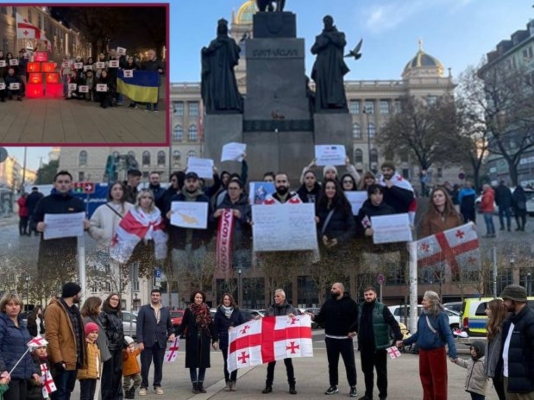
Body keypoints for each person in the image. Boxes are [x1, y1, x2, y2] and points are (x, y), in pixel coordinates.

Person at [397, 291, 457, 400]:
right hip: (423, 352)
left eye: (425, 299)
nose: (422, 301)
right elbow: (418, 334)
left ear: (432, 301)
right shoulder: (424, 315)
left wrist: (452, 350)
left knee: (439, 380)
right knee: (425, 379)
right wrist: (404, 342)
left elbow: (448, 334)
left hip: (437, 352)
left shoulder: (441, 315)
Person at [32, 171, 90, 280]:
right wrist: (37, 226)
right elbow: (33, 222)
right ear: (54, 184)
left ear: (71, 184)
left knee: (66, 284)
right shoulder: (44, 202)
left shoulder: (77, 203)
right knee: (46, 283)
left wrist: (86, 226)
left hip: (69, 252)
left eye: (66, 182)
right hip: (47, 252)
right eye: (60, 182)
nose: (63, 184)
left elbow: (83, 224)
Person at [310, 283, 358, 398]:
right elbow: (321, 318)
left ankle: (353, 386)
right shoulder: (328, 303)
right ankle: (333, 385)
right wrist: (314, 317)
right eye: (331, 288)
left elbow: (357, 319)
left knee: (349, 364)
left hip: (345, 339)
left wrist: (355, 331)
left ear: (341, 289)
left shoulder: (351, 304)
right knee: (332, 365)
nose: (331, 290)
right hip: (331, 339)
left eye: (334, 288)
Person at [357, 286, 402, 400]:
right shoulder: (360, 308)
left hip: (379, 347)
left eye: (370, 294)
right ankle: (368, 395)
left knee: (381, 374)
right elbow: (355, 323)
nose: (368, 296)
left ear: (375, 295)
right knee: (367, 373)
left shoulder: (382, 308)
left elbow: (393, 323)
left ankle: (382, 396)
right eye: (366, 294)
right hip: (365, 347)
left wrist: (398, 338)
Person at [110, 189, 168, 278]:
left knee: (156, 266)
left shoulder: (157, 214)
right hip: (136, 246)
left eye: (149, 198)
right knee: (136, 272)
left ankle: (157, 284)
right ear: (139, 199)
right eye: (144, 197)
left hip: (153, 245)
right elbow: (124, 230)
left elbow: (161, 230)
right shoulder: (133, 213)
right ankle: (135, 287)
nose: (147, 200)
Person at [44, 282, 87, 400]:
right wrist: (58, 360)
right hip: (62, 361)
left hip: (74, 360)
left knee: (67, 391)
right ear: (74, 294)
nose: (81, 295)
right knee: (59, 393)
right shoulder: (54, 309)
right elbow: (51, 336)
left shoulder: (75, 311)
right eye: (79, 293)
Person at [167, 172, 213, 275]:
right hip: (179, 245)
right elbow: (168, 224)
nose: (191, 184)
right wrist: (168, 218)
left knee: (197, 276)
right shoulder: (175, 199)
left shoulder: (204, 200)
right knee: (180, 276)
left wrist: (205, 240)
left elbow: (211, 222)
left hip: (197, 245)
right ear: (184, 182)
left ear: (198, 182)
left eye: (194, 181)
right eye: (188, 181)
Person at [176, 291, 219, 394]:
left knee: (203, 363)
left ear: (203, 299)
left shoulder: (207, 310)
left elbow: (211, 326)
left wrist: (215, 339)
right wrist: (175, 333)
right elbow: (183, 325)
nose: (198, 299)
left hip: (204, 339)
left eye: (200, 297)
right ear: (193, 298)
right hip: (192, 339)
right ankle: (194, 385)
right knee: (193, 363)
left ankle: (200, 384)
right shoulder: (189, 310)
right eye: (197, 297)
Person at [0, 293, 40, 400]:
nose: (14, 307)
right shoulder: (2, 323)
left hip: (23, 375)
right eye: (10, 304)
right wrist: (2, 371)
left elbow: (26, 351)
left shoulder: (22, 324)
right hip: (9, 376)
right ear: (4, 307)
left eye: (17, 304)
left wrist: (33, 371)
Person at [136, 289, 175, 396]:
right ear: (150, 296)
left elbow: (169, 326)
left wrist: (171, 334)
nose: (155, 297)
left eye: (157, 295)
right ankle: (144, 386)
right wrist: (140, 341)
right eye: (153, 295)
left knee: (159, 366)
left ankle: (157, 385)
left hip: (160, 342)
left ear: (160, 297)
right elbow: (139, 327)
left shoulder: (165, 310)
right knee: (145, 366)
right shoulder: (144, 309)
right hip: (146, 343)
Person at [88, 182, 134, 272]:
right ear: (110, 192)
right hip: (104, 249)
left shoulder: (131, 208)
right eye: (115, 189)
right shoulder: (102, 209)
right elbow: (92, 225)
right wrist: (102, 233)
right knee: (103, 277)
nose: (118, 191)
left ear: (124, 191)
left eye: (120, 189)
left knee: (124, 277)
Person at [201, 18, 243, 113]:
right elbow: (208, 53)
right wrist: (204, 52)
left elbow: (236, 52)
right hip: (216, 71)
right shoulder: (214, 42)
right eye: (221, 27)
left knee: (229, 88)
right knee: (217, 89)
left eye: (224, 27)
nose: (222, 29)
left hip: (226, 70)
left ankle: (230, 105)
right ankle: (218, 106)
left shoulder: (230, 41)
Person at [499, 284, 534, 398]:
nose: (503, 303)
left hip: (526, 385)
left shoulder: (530, 320)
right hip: (508, 379)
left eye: (505, 300)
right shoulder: (509, 320)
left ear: (514, 300)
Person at [261, 289, 298, 395]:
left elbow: (296, 322)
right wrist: (260, 319)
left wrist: (293, 317)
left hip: (285, 340)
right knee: (271, 364)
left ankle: (292, 385)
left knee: (288, 364)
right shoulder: (271, 309)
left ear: (283, 297)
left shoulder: (290, 308)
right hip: (273, 340)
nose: (276, 298)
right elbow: (265, 321)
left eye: (278, 296)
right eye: (275, 296)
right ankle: (268, 385)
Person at [311, 15, 349, 111]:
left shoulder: (339, 34)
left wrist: (329, 37)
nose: (327, 22)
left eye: (328, 20)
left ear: (332, 22)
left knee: (335, 85)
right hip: (322, 64)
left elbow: (342, 42)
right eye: (325, 21)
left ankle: (336, 104)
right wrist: (322, 44)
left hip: (334, 65)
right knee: (322, 85)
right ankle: (323, 104)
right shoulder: (320, 37)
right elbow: (313, 50)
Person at [213, 179, 252, 271]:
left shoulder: (247, 206)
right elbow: (212, 226)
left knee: (242, 276)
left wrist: (241, 217)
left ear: (241, 190)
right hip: (225, 249)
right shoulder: (222, 205)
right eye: (230, 188)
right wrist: (214, 216)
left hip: (243, 248)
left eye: (235, 188)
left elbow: (252, 225)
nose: (232, 191)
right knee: (226, 278)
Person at [315, 178, 356, 265]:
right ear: (324, 190)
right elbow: (316, 228)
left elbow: (352, 228)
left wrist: (339, 240)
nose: (330, 190)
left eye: (333, 188)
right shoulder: (318, 205)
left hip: (341, 250)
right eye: (328, 188)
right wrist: (321, 236)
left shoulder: (344, 205)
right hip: (324, 249)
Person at [214, 293, 245, 391]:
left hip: (235, 340)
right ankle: (227, 381)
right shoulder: (219, 312)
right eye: (225, 299)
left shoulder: (237, 311)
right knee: (227, 361)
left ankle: (233, 381)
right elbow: (215, 327)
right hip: (224, 340)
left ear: (231, 300)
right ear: (222, 300)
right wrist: (215, 340)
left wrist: (234, 328)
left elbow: (243, 324)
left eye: (228, 299)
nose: (226, 301)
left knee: (234, 361)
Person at [99, 294, 124, 400]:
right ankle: (107, 397)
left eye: (117, 300)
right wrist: (110, 343)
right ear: (108, 300)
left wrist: (125, 343)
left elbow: (119, 331)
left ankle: (117, 397)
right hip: (109, 349)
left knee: (118, 373)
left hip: (118, 348)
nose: (115, 301)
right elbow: (102, 331)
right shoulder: (103, 314)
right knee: (108, 376)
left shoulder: (118, 314)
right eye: (113, 299)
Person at [484, 299, 507, 400]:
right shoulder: (494, 328)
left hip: (500, 373)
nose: (485, 311)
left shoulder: (502, 329)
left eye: (488, 309)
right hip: (495, 373)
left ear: (495, 312)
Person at [80, 297, 112, 366]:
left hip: (98, 353)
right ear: (94, 306)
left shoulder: (95, 318)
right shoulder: (87, 319)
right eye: (99, 305)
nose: (101, 307)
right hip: (92, 354)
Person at [77, 322, 101, 400]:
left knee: (91, 395)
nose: (94, 335)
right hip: (86, 375)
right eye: (92, 332)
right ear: (87, 333)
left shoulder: (95, 345)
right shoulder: (86, 344)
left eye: (96, 333)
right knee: (85, 395)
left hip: (93, 374)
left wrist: (97, 373)